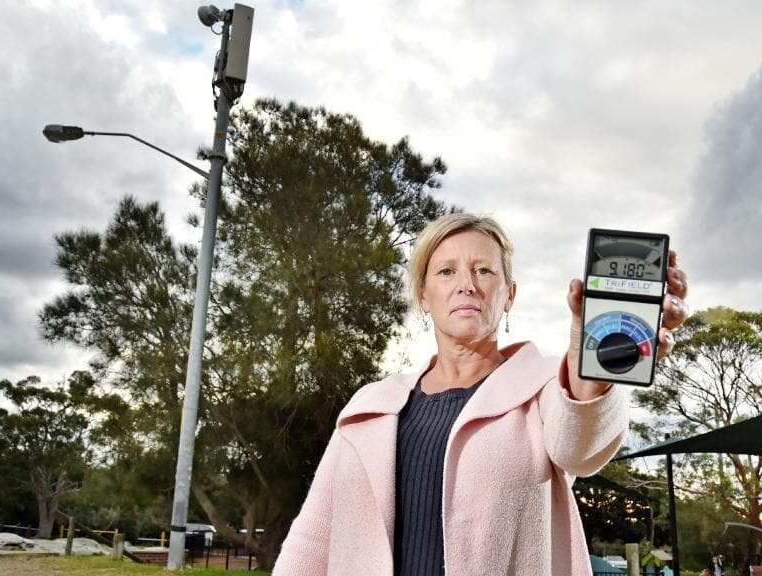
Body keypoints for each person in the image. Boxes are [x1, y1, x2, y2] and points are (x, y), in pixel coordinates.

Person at [271, 213, 690, 575]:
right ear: (423, 295)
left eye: (484, 271)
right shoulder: (369, 408)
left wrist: (592, 366)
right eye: (446, 272)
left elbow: (579, 448)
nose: (467, 285)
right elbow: (312, 540)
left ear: (509, 295)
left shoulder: (545, 387)